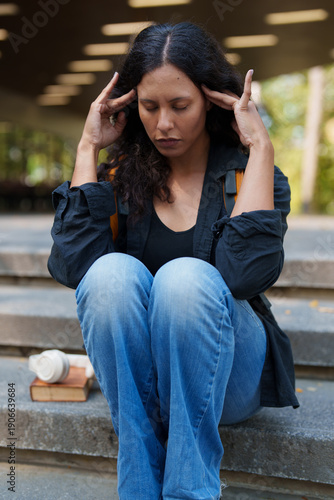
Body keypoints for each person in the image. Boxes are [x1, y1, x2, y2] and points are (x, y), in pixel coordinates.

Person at [48, 22, 299, 500]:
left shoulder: (251, 175)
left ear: (210, 100)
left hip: (226, 375)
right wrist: (87, 148)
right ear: (130, 104)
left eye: (180, 106)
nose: (164, 123)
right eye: (149, 106)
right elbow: (75, 267)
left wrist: (261, 148)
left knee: (185, 279)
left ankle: (190, 490)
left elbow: (245, 276)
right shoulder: (121, 176)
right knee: (109, 273)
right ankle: (139, 489)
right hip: (146, 382)